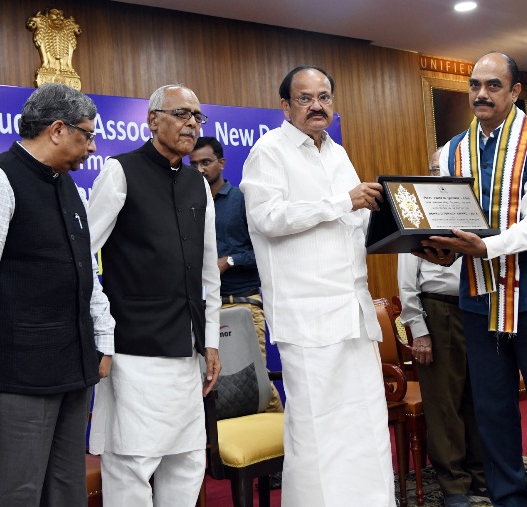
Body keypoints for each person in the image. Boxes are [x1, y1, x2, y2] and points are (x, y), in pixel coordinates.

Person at [0, 83, 114, 507]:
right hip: (19, 380)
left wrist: (103, 341)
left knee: (67, 492)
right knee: (15, 495)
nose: (92, 147)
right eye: (86, 135)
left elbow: (85, 271)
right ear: (57, 130)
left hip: (72, 370)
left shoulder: (66, 185)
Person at [420, 52, 527, 507]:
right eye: (474, 85)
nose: (481, 94)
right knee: (490, 405)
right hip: (478, 294)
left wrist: (484, 247)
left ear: (515, 92)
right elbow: (449, 219)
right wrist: (437, 249)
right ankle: (507, 495)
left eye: (492, 85)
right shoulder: (451, 150)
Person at [240, 65, 395, 507]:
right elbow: (267, 219)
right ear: (286, 106)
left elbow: (352, 221)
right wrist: (341, 201)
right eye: (305, 98)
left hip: (352, 312)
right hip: (307, 319)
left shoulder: (338, 153)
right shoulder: (268, 152)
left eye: (324, 97)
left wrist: (402, 231)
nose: (317, 106)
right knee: (316, 431)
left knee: (364, 424)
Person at [86, 84, 221, 507]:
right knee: (132, 466)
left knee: (187, 464)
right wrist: (102, 334)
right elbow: (82, 255)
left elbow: (208, 272)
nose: (191, 124)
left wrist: (212, 339)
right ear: (153, 120)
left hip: (188, 352)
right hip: (133, 350)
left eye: (197, 117)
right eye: (181, 114)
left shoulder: (197, 183)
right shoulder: (120, 171)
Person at [397, 149, 486, 507]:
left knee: (478, 398)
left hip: (477, 308)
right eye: (434, 169)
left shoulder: (473, 210)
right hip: (438, 310)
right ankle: (453, 484)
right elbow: (406, 281)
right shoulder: (417, 214)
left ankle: (480, 473)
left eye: (447, 169)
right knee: (443, 402)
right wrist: (418, 329)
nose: (440, 175)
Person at [190, 136, 283, 413]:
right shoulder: (191, 204)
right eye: (193, 164)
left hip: (243, 303)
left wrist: (229, 260)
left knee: (255, 382)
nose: (199, 170)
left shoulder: (242, 200)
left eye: (205, 162)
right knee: (216, 386)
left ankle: (288, 445)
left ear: (221, 163)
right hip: (206, 308)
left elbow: (267, 251)